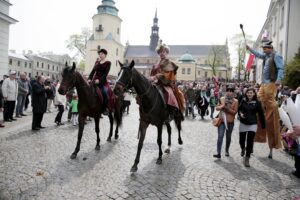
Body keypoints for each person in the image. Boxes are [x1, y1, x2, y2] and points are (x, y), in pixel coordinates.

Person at [246, 40, 285, 159]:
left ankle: (273, 111)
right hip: (263, 84)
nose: (263, 51)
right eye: (262, 49)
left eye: (265, 49)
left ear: (270, 48)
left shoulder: (276, 55)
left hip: (270, 84)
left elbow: (281, 68)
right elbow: (257, 55)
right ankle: (260, 114)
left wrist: (279, 80)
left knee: (271, 105)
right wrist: (250, 49)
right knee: (257, 102)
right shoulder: (266, 56)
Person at [149, 41, 185, 121]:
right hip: (155, 84)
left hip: (166, 84)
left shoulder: (169, 63)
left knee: (170, 94)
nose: (162, 53)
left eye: (164, 51)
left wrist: (156, 76)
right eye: (161, 52)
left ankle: (170, 114)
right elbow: (152, 74)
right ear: (158, 53)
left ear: (167, 53)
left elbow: (167, 75)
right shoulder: (156, 65)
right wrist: (150, 78)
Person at [238, 88, 266, 167]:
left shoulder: (257, 103)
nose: (249, 94)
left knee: (250, 142)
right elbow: (239, 110)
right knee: (241, 140)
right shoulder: (243, 101)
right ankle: (243, 148)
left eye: (251, 93)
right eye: (248, 93)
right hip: (243, 123)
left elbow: (261, 114)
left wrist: (263, 125)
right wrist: (241, 114)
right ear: (246, 94)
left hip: (253, 124)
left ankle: (247, 158)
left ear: (254, 94)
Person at [213, 86, 238, 158]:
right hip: (222, 121)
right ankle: (218, 153)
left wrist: (227, 109)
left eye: (231, 91)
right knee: (220, 136)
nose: (229, 92)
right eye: (228, 91)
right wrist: (222, 106)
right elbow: (217, 108)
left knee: (228, 137)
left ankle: (227, 150)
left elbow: (234, 112)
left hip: (230, 122)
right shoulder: (222, 99)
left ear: (233, 92)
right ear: (226, 91)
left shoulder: (236, 101)